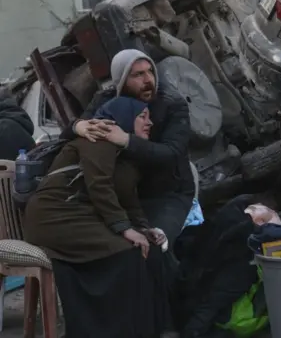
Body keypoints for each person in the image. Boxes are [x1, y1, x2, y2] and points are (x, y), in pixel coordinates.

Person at [23, 96, 170, 338]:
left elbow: (128, 199)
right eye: (142, 116)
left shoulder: (126, 156)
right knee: (127, 252)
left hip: (83, 216)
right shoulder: (98, 136)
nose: (150, 122)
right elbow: (99, 185)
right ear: (123, 116)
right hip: (54, 217)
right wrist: (124, 228)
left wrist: (144, 228)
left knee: (149, 249)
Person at [59, 49, 195, 249]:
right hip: (125, 194)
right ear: (121, 79)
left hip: (167, 193)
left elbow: (171, 153)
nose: (148, 80)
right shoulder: (106, 100)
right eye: (138, 75)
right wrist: (77, 126)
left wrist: (126, 140)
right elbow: (73, 134)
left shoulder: (172, 105)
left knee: (154, 247)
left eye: (150, 72)